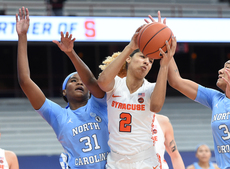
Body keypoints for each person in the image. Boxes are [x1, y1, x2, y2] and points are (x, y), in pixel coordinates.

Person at [16, 7, 109, 169]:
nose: (80, 83)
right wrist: (22, 36)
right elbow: (25, 81)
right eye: (73, 80)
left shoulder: (100, 104)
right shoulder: (58, 115)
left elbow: (92, 80)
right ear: (64, 91)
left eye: (82, 81)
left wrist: (71, 53)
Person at [97, 21, 176, 168]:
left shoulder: (151, 88)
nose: (147, 62)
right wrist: (130, 47)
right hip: (116, 161)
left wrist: (164, 65)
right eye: (142, 57)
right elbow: (101, 82)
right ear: (128, 58)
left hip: (144, 160)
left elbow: (157, 107)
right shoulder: (116, 84)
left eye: (151, 61)